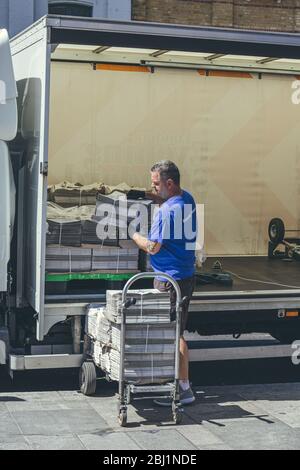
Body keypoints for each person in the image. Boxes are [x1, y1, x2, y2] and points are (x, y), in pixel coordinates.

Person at [131, 160, 196, 406]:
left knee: (173, 335)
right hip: (186, 275)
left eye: (156, 184)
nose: (153, 187)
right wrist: (142, 195)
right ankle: (179, 385)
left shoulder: (166, 213)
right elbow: (165, 199)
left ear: (169, 183)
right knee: (177, 331)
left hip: (170, 281)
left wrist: (134, 234)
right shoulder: (187, 198)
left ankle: (182, 390)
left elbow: (153, 247)